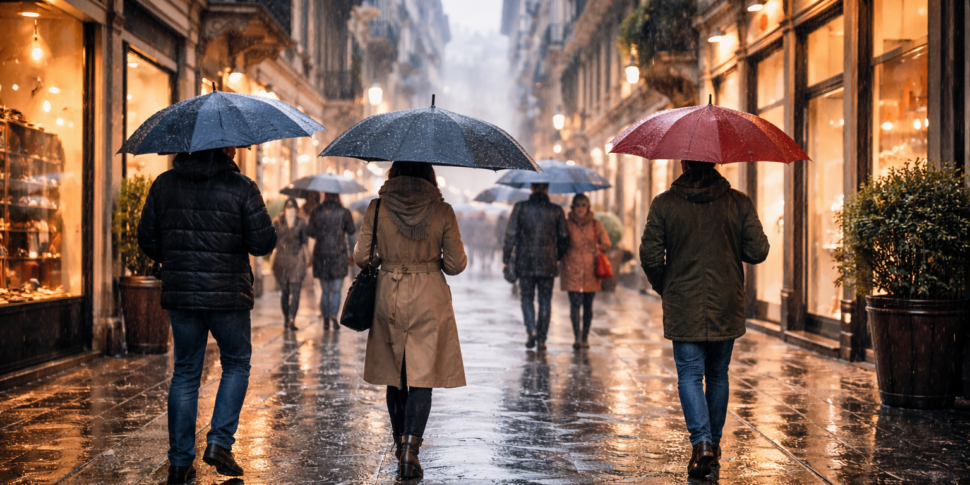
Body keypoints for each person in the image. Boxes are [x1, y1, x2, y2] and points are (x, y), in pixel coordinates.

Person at [137, 146, 277, 484]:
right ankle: (218, 442)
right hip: (227, 294)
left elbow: (147, 239)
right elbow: (263, 243)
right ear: (226, 149)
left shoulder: (163, 184)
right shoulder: (242, 187)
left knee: (185, 372)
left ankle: (180, 462)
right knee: (236, 363)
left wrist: (177, 256)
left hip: (182, 293)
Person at [639, 160, 769, 479]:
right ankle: (713, 444)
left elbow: (651, 256)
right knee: (718, 374)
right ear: (715, 161)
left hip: (683, 301)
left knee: (689, 373)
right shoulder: (738, 202)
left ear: (683, 163)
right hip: (725, 301)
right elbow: (758, 251)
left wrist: (666, 285)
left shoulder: (664, 204)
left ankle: (702, 444)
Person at [354, 161, 466, 480]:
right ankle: (410, 452)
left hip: (389, 292)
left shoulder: (377, 207)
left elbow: (362, 257)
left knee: (395, 374)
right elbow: (456, 264)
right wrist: (431, 258)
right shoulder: (442, 210)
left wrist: (387, 257)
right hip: (428, 295)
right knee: (422, 375)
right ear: (429, 175)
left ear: (394, 172)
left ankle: (397, 442)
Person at [503, 182, 569, 350]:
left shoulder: (520, 208)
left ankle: (531, 329)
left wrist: (506, 257)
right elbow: (564, 237)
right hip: (548, 262)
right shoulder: (556, 210)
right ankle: (542, 338)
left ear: (531, 189)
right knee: (545, 300)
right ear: (547, 189)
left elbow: (511, 234)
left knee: (526, 297)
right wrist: (557, 255)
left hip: (525, 261)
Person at [560, 194, 611, 349]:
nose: (581, 208)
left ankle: (585, 337)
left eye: (583, 205)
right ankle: (577, 338)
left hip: (591, 271)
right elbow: (560, 243)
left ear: (588, 207)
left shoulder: (596, 225)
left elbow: (607, 243)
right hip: (572, 269)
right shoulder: (567, 224)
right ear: (573, 207)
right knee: (574, 304)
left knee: (588, 306)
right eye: (578, 205)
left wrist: (598, 248)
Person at [307, 192, 356, 330]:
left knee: (324, 290)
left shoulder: (316, 211)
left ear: (325, 196)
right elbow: (351, 231)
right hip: (338, 256)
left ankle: (326, 318)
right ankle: (334, 315)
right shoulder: (344, 212)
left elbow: (310, 232)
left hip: (321, 255)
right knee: (336, 290)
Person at [271, 198, 309, 330]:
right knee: (289, 292)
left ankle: (289, 318)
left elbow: (272, 242)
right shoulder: (299, 223)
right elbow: (304, 242)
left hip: (287, 261)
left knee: (288, 292)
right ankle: (290, 318)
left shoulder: (277, 222)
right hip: (288, 261)